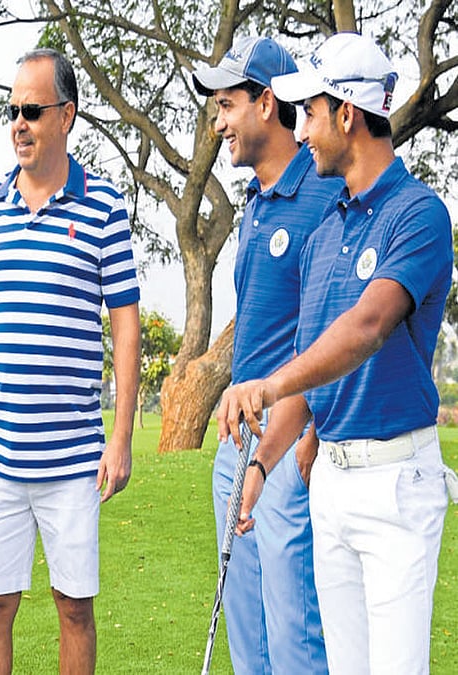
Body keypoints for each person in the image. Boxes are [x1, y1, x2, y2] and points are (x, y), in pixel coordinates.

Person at [217, 32, 456, 674]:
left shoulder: (419, 214)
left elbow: (368, 326)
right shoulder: (325, 234)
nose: (302, 131)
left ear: (347, 114)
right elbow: (310, 372)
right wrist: (261, 466)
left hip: (396, 483)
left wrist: (265, 386)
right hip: (331, 484)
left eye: (311, 113)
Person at [0, 48, 141, 674]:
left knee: (75, 610)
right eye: (12, 111)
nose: (19, 124)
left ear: (67, 116)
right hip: (0, 457)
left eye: (32, 111)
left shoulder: (105, 207)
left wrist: (121, 438)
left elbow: (126, 325)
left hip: (75, 460)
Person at [192, 36, 338, 673]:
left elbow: (337, 332)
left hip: (288, 439)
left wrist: (311, 430)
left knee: (293, 638)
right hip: (237, 444)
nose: (218, 123)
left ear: (268, 102)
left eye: (227, 106)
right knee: (247, 640)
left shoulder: (325, 194)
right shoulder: (254, 204)